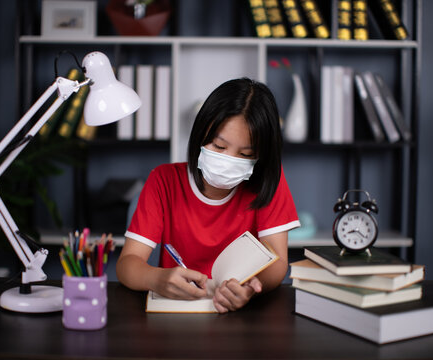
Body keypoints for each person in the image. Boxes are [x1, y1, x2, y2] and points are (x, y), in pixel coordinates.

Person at [116, 78, 300, 313]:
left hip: (239, 321)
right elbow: (127, 265)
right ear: (201, 135)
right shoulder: (163, 181)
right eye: (219, 147)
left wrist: (252, 286)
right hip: (175, 317)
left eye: (245, 154)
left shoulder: (268, 181)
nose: (229, 160)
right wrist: (156, 279)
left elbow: (277, 261)